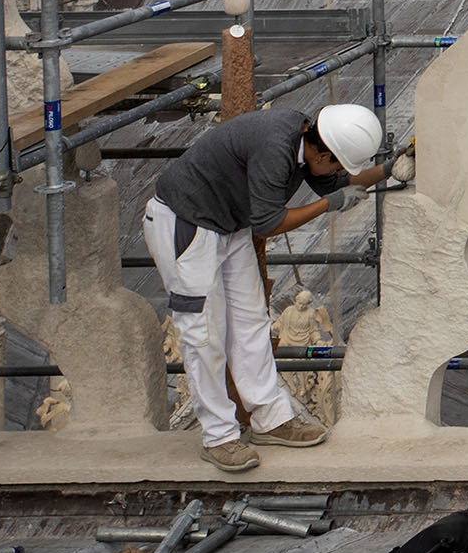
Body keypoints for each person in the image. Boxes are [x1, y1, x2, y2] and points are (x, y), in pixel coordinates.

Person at [143, 101, 382, 470]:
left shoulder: (308, 142)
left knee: (250, 322)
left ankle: (270, 419)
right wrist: (329, 205)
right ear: (322, 151)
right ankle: (219, 436)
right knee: (203, 332)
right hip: (187, 222)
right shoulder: (276, 147)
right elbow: (269, 222)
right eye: (335, 161)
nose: (336, 170)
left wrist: (388, 170)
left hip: (227, 223)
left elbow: (338, 181)